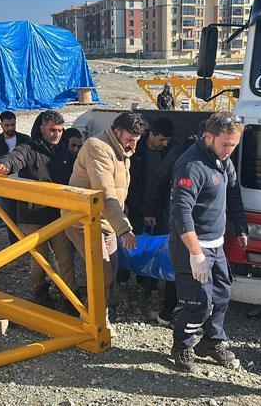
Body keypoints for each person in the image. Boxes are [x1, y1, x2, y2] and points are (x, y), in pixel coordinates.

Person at [169, 112, 248, 372]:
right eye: (225, 144)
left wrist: (241, 225)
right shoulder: (192, 165)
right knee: (198, 303)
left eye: (234, 145)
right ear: (209, 136)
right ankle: (182, 345)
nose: (229, 150)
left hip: (216, 244)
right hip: (193, 245)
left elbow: (233, 192)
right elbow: (181, 211)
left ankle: (212, 342)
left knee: (221, 296)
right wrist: (195, 253)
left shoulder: (223, 160)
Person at [64, 112, 147, 335]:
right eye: (130, 139)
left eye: (136, 141)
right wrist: (125, 229)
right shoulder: (97, 147)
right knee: (101, 270)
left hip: (106, 221)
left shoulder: (122, 151)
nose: (133, 146)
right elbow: (106, 194)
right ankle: (93, 317)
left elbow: (118, 193)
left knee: (110, 270)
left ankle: (97, 312)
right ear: (116, 131)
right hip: (83, 219)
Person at [0, 110, 77, 309]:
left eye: (60, 130)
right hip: (35, 215)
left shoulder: (65, 151)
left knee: (65, 258)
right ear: (42, 129)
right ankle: (40, 291)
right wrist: (2, 165)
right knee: (39, 259)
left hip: (59, 215)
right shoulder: (28, 148)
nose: (57, 134)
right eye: (52, 130)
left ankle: (71, 297)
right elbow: (13, 159)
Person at [142, 120, 207, 328]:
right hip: (180, 219)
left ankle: (172, 306)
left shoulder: (182, 153)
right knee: (177, 263)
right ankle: (168, 309)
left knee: (178, 263)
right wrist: (150, 211)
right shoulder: (181, 154)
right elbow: (158, 182)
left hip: (184, 219)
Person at [121, 116, 176, 295]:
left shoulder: (171, 152)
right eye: (161, 139)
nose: (165, 144)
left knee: (153, 247)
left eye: (167, 140)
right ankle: (122, 280)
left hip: (158, 211)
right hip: (134, 207)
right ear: (151, 134)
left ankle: (147, 283)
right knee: (128, 243)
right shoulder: (135, 150)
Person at [0, 111, 30, 244]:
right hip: (6, 186)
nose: (10, 127)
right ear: (1, 125)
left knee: (29, 217)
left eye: (12, 124)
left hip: (24, 184)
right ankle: (14, 245)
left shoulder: (25, 140)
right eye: (7, 125)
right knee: (10, 218)